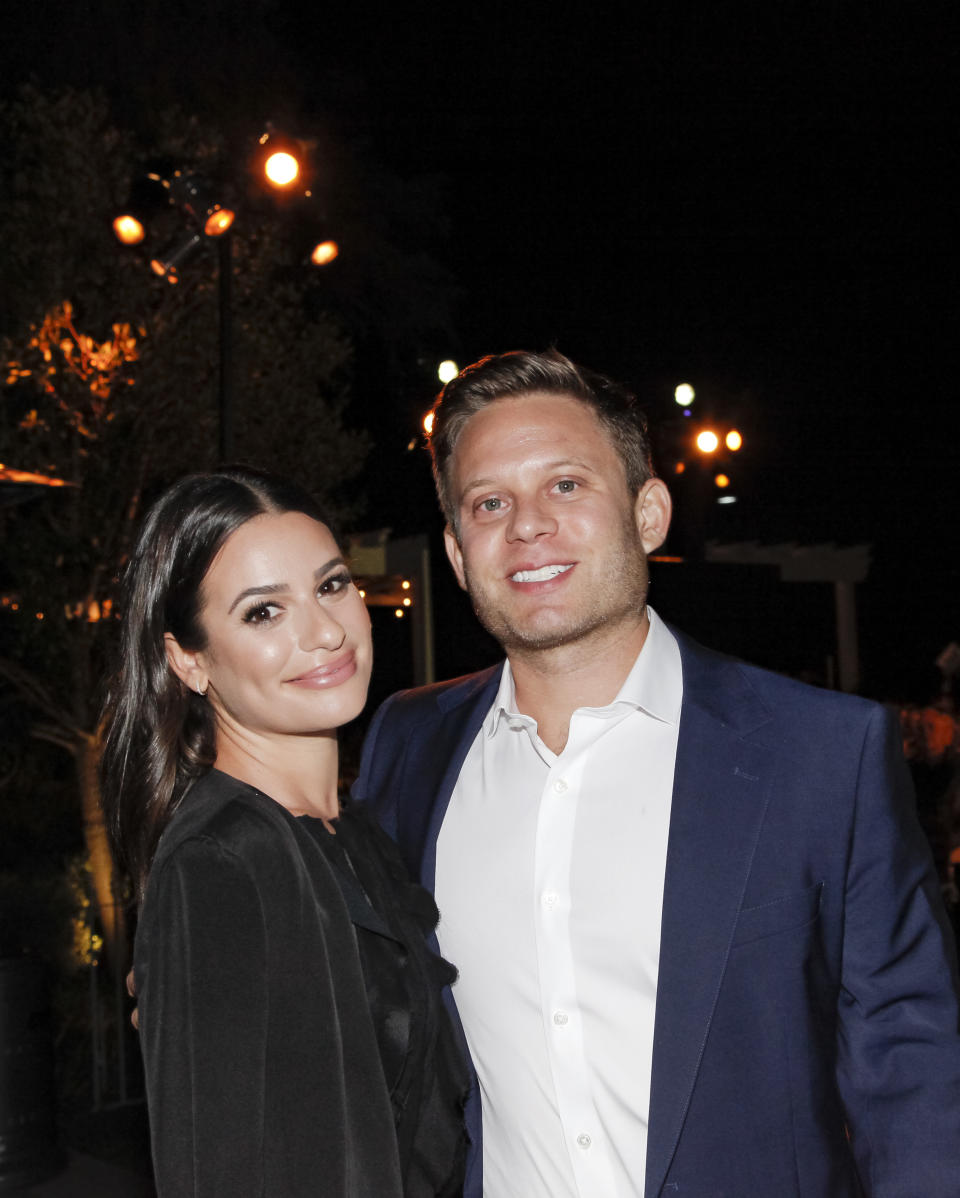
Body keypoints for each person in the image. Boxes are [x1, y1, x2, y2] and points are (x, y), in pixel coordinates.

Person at [353, 350, 960, 1197]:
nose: (526, 524)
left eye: (566, 485)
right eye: (489, 503)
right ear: (457, 554)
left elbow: (909, 1058)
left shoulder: (821, 752)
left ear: (649, 513)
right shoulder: (408, 746)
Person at [100, 466, 467, 1198]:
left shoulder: (350, 832)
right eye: (264, 612)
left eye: (331, 585)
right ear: (188, 660)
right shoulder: (221, 861)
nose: (325, 631)